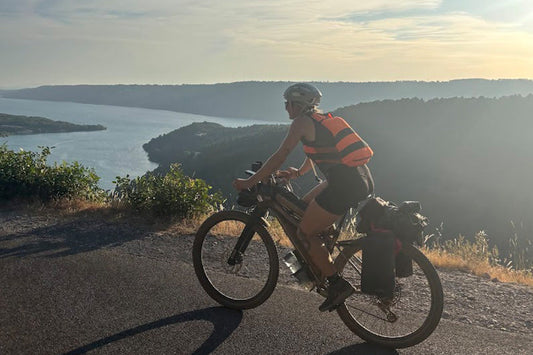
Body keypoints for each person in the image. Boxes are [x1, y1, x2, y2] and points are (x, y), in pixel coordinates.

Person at [233, 83, 374, 312]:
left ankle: (337, 284)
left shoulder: (301, 122)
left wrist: (249, 182)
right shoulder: (321, 119)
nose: (285, 108)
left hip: (344, 185)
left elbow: (280, 156)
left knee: (304, 231)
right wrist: (298, 173)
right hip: (357, 178)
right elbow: (316, 152)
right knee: (302, 209)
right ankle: (321, 255)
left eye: (287, 103)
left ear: (296, 104)